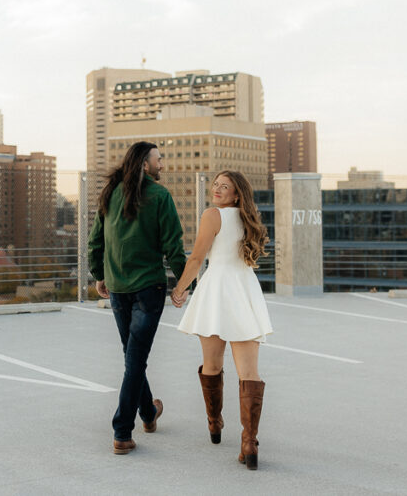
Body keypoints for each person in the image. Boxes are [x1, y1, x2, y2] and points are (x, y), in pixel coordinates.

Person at [88, 141, 186, 455]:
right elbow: (174, 245)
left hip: (118, 287)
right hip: (148, 289)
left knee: (133, 357)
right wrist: (184, 284)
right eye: (159, 159)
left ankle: (148, 413)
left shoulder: (111, 193)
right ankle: (121, 431)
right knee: (135, 360)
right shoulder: (160, 196)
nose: (162, 164)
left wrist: (99, 274)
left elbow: (95, 241)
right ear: (145, 164)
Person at [171, 170, 273, 470]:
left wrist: (180, 289)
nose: (217, 190)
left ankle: (215, 424)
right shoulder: (248, 218)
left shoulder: (212, 215)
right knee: (249, 372)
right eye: (215, 185)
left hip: (216, 291)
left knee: (213, 365)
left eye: (224, 187)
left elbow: (196, 259)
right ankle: (249, 441)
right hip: (244, 291)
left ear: (236, 194)